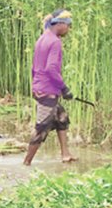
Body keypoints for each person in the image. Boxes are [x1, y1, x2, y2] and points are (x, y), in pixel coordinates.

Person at [23, 9, 76, 165]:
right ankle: (26, 163)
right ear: (60, 24)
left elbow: (35, 67)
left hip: (41, 88)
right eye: (68, 25)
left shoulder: (42, 38)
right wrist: (64, 88)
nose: (69, 29)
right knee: (41, 129)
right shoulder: (55, 42)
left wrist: (36, 86)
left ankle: (65, 154)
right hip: (47, 90)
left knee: (62, 118)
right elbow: (51, 69)